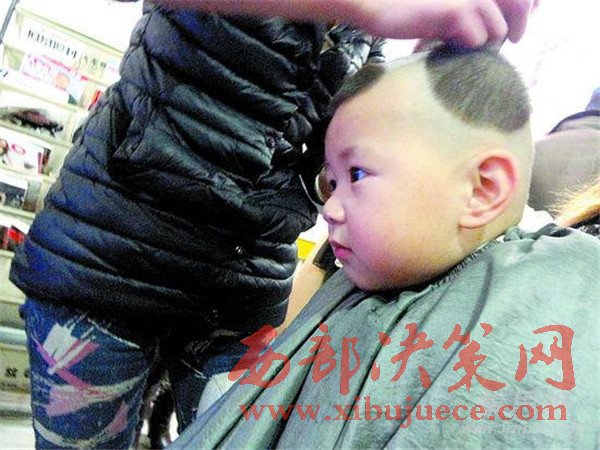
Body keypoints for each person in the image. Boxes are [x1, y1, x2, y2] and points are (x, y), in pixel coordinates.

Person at [8, 0, 539, 448]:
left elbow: (346, 145)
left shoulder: (361, 38)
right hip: (104, 265)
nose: (332, 208)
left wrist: (425, 63)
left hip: (244, 288)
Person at [171, 45, 599, 448]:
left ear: (481, 189)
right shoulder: (369, 275)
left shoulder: (542, 317)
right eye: (332, 182)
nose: (329, 209)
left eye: (357, 175)